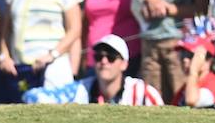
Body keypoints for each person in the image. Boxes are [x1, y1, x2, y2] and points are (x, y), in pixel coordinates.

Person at [23, 34, 164, 106]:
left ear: (124, 64)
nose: (104, 62)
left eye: (111, 57)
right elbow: (33, 96)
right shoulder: (81, 88)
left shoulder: (142, 92)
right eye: (98, 57)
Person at [175, 20, 215, 111]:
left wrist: (193, 72)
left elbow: (192, 100)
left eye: (190, 55)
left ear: (208, 61)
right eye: (183, 54)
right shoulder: (185, 88)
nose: (185, 60)